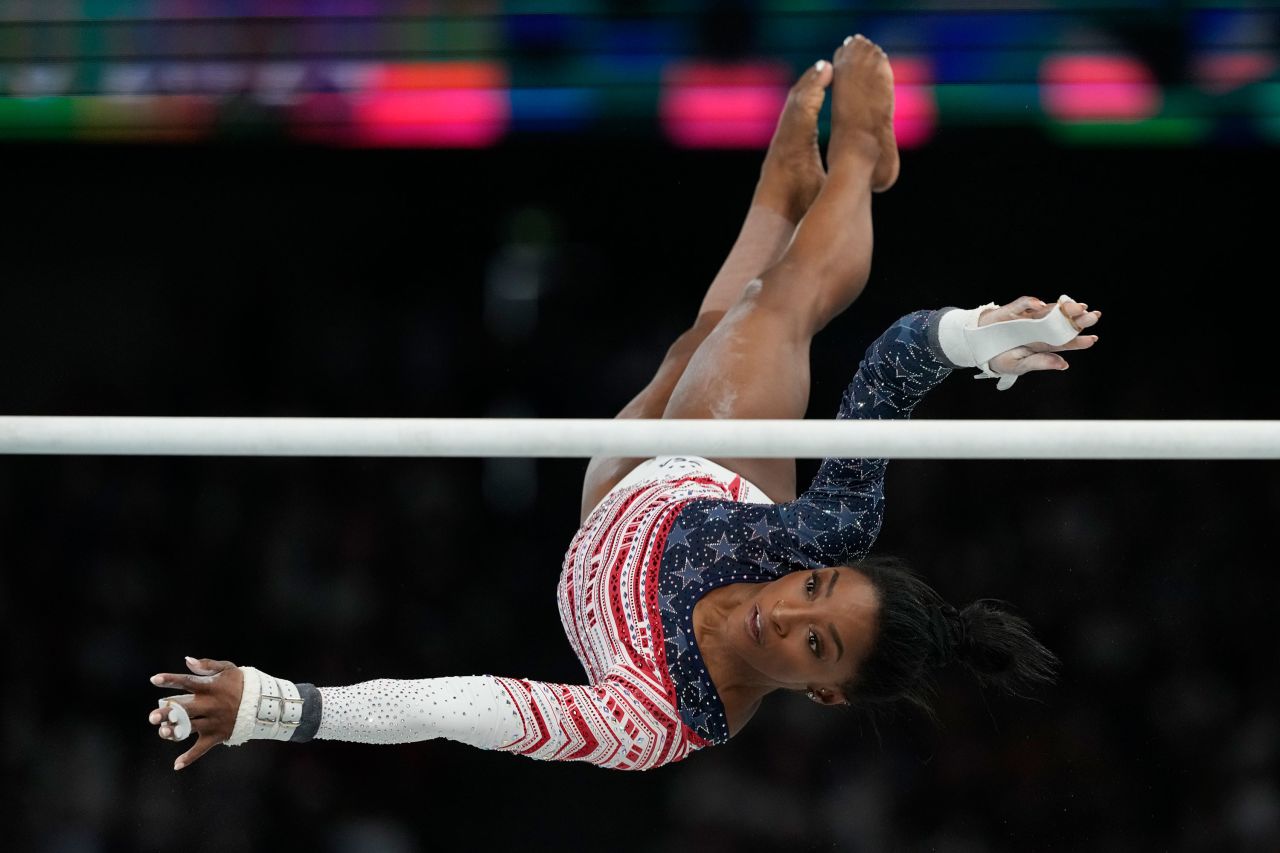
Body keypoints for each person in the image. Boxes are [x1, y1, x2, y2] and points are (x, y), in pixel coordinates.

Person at [148, 35, 1102, 772]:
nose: (786, 610)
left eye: (817, 644)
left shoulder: (651, 720)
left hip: (609, 505)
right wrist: (981, 334)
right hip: (717, 474)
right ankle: (857, 161)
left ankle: (781, 193)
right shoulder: (827, 526)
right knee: (780, 306)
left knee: (702, 339)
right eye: (814, 589)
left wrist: (283, 707)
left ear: (825, 694)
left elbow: (466, 708)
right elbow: (894, 361)